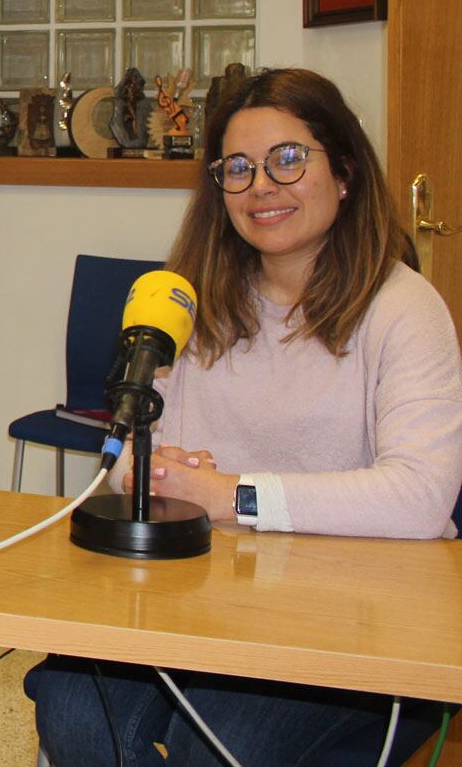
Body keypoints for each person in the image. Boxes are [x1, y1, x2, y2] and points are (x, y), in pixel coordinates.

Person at [25, 68, 462, 766]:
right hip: (204, 593)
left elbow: (420, 497)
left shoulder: (404, 309)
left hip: (353, 612)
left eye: (288, 159)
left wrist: (230, 494)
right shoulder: (190, 301)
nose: (261, 186)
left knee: (219, 743)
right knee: (73, 706)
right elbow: (131, 461)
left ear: (345, 173)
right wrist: (152, 472)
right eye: (237, 168)